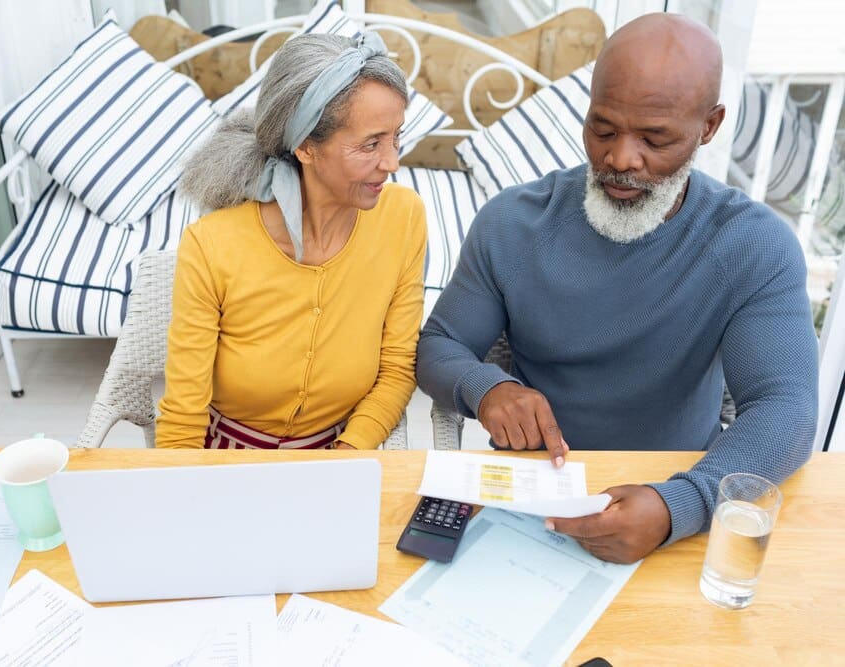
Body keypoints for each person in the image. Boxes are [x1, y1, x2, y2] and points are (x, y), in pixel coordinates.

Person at [416, 13, 818, 563]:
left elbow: (786, 407)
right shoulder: (511, 224)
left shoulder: (753, 245)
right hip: (534, 496)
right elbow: (439, 345)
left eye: (656, 139)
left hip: (677, 495)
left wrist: (683, 503)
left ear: (709, 126)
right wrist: (486, 387)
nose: (620, 159)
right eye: (602, 129)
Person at [156, 32, 427, 450]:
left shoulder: (404, 217)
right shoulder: (212, 245)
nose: (391, 162)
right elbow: (183, 415)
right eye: (371, 144)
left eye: (396, 138)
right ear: (305, 147)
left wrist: (348, 454)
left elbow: (396, 368)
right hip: (226, 462)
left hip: (345, 453)